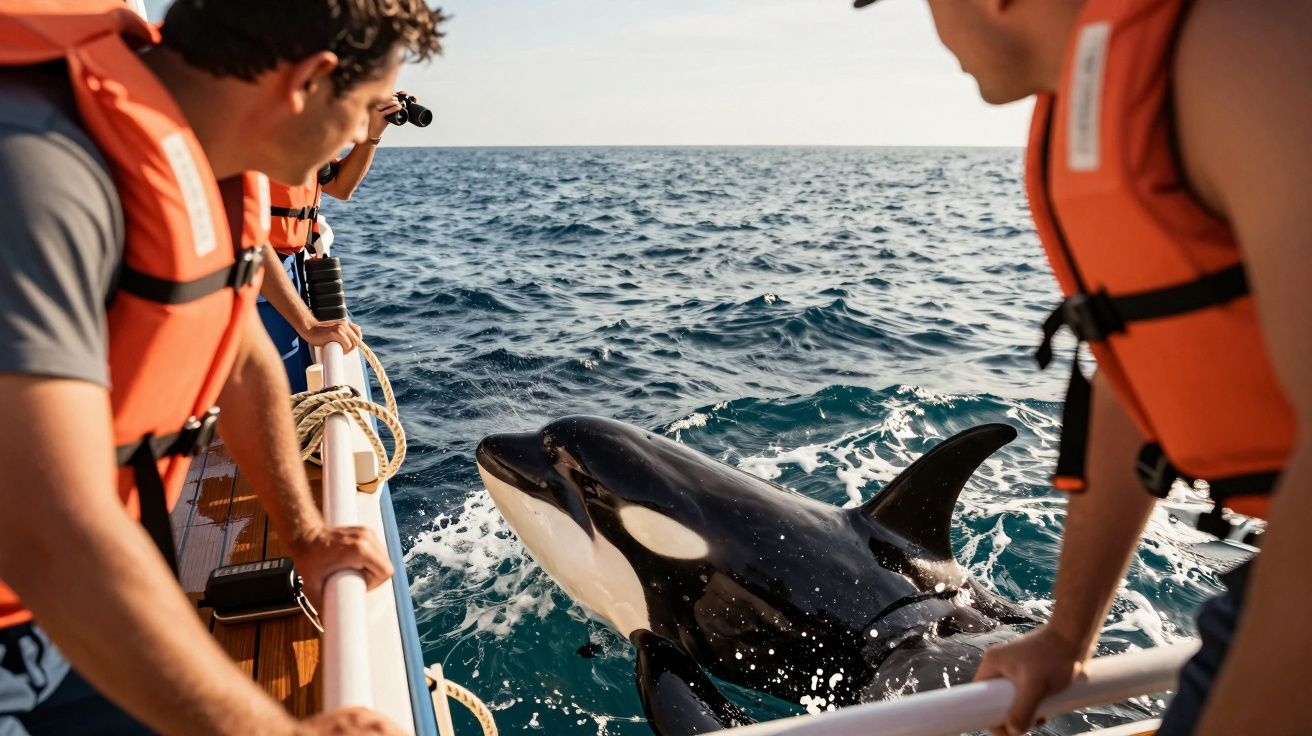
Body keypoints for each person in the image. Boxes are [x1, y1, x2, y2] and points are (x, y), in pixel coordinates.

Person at [849, 0, 1311, 733]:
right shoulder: (1114, 106)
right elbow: (1137, 384)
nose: (933, 34)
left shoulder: (1244, 50)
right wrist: (1068, 638)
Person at [0, 0, 443, 733]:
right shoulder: (38, 175)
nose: (362, 132)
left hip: (78, 610)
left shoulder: (202, 156)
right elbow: (49, 532)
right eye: (365, 109)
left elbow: (240, 354)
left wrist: (304, 532)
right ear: (308, 82)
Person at [259, 93, 409, 391]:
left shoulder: (303, 128)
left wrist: (371, 136)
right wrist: (308, 325)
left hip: (291, 271)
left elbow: (340, 186)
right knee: (275, 389)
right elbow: (241, 231)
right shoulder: (251, 125)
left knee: (299, 384)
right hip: (256, 279)